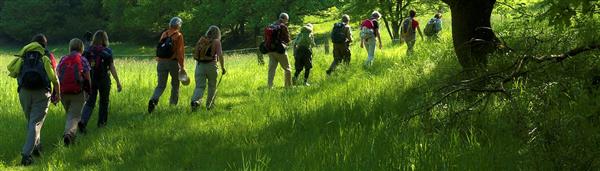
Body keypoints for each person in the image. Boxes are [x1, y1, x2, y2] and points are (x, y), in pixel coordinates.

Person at [7, 34, 60, 166]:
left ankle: (36, 147)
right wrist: (57, 93)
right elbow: (54, 79)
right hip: (42, 94)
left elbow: (11, 70)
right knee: (35, 123)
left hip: (24, 93)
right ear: (44, 45)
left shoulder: (23, 56)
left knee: (31, 122)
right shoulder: (44, 57)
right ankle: (26, 155)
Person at [79, 30, 123, 133]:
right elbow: (112, 67)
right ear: (105, 39)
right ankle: (102, 125)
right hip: (104, 79)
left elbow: (82, 67)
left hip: (91, 79)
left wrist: (82, 81)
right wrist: (118, 82)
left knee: (90, 102)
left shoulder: (88, 51)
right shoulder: (107, 51)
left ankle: (83, 121)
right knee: (104, 102)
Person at [57, 38, 92, 146]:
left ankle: (73, 138)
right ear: (81, 48)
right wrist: (89, 90)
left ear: (70, 47)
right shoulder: (83, 59)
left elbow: (57, 74)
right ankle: (69, 134)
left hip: (63, 93)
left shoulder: (63, 59)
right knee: (74, 116)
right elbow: (87, 77)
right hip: (78, 92)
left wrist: (57, 93)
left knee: (71, 115)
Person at [148, 17, 186, 113]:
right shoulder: (178, 35)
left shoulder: (164, 34)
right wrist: (182, 67)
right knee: (175, 84)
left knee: (161, 85)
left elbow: (160, 48)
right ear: (179, 25)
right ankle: (172, 105)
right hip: (172, 62)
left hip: (161, 62)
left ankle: (154, 99)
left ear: (170, 25)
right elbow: (180, 53)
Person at [191, 26, 227, 111]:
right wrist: (222, 68)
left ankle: (195, 102)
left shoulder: (202, 40)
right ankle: (209, 106)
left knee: (199, 86)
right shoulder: (217, 41)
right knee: (212, 86)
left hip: (199, 65)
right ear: (218, 33)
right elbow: (220, 55)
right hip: (211, 65)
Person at [267, 13, 292, 88]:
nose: (286, 22)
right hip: (280, 50)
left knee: (271, 69)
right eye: (287, 20)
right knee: (288, 69)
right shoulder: (283, 26)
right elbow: (287, 40)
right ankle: (288, 86)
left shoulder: (271, 25)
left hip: (270, 50)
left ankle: (270, 86)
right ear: (284, 19)